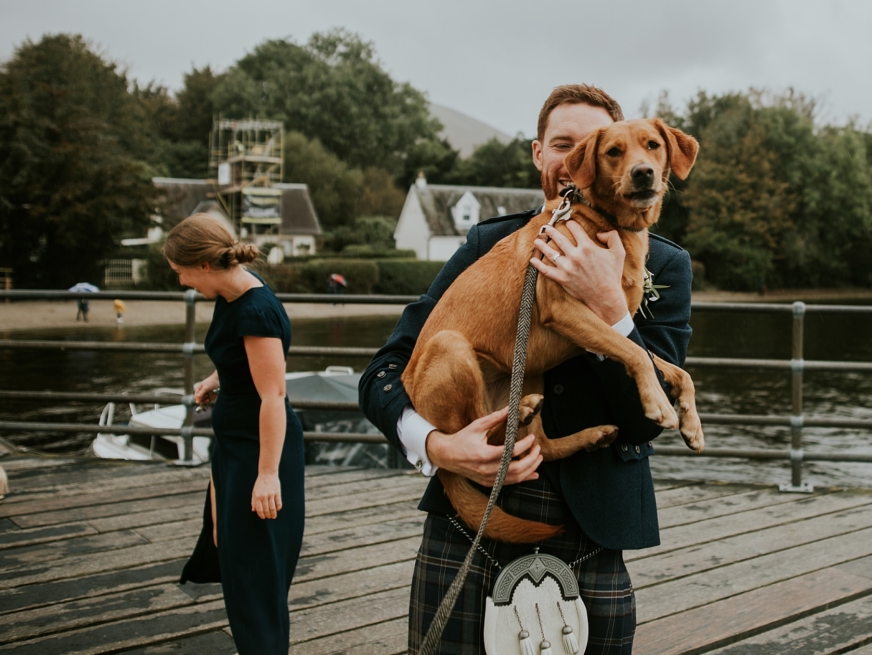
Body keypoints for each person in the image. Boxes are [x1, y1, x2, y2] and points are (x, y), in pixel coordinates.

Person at [360, 84, 694, 655]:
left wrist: (612, 306)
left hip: (593, 524)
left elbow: (645, 424)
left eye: (594, 146)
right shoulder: (490, 242)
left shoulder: (666, 263)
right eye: (564, 145)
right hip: (469, 519)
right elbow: (386, 371)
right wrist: (436, 445)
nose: (574, 161)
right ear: (540, 154)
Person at [168, 215, 305, 655]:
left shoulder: (255, 310)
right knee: (231, 553)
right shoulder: (233, 294)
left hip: (257, 452)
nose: (182, 283)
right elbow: (244, 358)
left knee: (255, 574)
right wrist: (217, 377)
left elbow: (273, 397)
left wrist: (267, 475)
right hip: (234, 446)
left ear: (204, 265)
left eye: (181, 273)